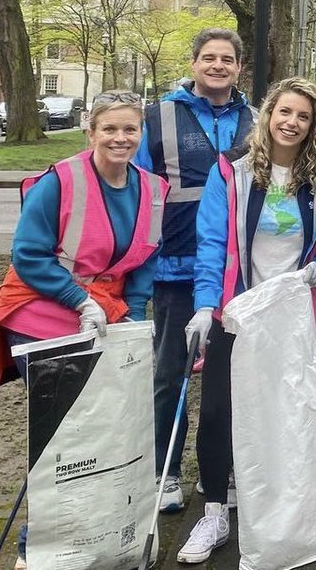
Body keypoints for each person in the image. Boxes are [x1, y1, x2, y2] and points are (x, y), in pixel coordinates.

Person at [0, 91, 168, 570]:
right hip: (40, 311)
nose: (120, 137)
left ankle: (96, 534)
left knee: (108, 432)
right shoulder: (61, 181)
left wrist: (130, 310)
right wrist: (79, 300)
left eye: (129, 129)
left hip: (106, 312)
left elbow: (147, 256)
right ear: (90, 131)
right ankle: (37, 549)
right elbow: (28, 256)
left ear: (140, 134)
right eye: (109, 128)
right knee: (67, 432)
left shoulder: (151, 189)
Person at [177, 78, 316, 564]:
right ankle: (213, 510)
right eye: (284, 112)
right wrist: (206, 305)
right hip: (239, 313)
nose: (291, 123)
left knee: (287, 410)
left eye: (303, 117)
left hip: (292, 314)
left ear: (314, 126)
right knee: (221, 411)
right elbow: (211, 243)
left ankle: (279, 504)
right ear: (268, 115)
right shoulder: (232, 171)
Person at [133, 28, 255, 513]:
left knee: (228, 380)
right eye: (209, 58)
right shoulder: (159, 116)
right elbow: (141, 191)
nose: (218, 66)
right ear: (195, 62)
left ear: (239, 67)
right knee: (171, 374)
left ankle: (218, 470)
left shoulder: (255, 119)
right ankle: (165, 471)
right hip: (175, 267)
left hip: (236, 274)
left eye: (227, 59)